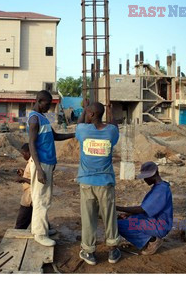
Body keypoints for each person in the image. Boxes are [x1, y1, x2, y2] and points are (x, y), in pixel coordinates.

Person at [75, 100, 121, 265]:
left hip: (87, 182)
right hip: (105, 182)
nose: (86, 114)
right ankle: (112, 250)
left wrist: (83, 110)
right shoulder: (110, 132)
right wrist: (111, 112)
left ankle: (89, 251)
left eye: (88, 112)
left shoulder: (83, 130)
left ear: (91, 114)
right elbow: (115, 126)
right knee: (109, 216)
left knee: (88, 218)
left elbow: (79, 123)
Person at [28, 90, 75, 247]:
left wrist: (74, 134)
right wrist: (40, 169)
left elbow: (55, 136)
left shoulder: (43, 118)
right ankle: (39, 234)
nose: (49, 108)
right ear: (39, 101)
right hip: (41, 164)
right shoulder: (34, 119)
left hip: (47, 163)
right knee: (40, 198)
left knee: (45, 197)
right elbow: (31, 144)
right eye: (47, 104)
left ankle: (43, 228)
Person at [116, 161, 173, 255]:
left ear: (153, 175)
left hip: (160, 225)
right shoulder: (159, 187)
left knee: (119, 225)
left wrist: (118, 208)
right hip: (154, 220)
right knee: (125, 219)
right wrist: (128, 214)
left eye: (146, 177)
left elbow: (142, 209)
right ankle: (147, 239)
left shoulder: (161, 190)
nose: (145, 180)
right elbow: (148, 209)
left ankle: (152, 240)